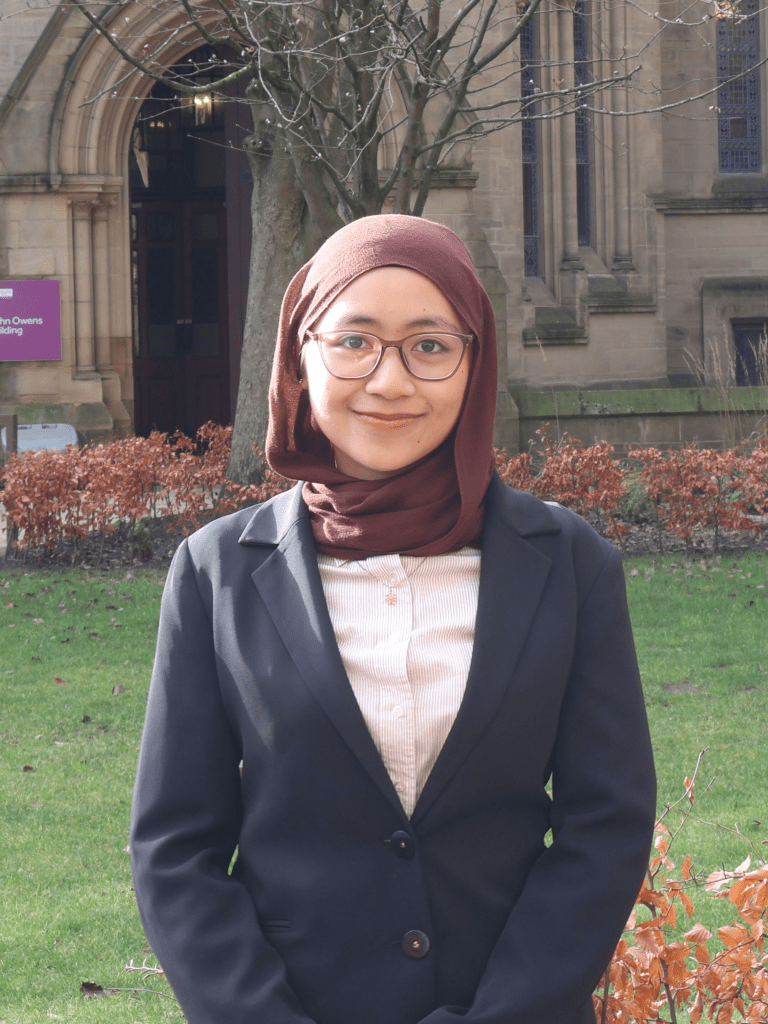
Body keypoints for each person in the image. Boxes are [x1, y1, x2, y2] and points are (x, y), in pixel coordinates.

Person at [130, 214, 656, 1024]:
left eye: (430, 346)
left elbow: (606, 826)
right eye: (354, 341)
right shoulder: (216, 570)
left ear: (474, 363)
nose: (389, 380)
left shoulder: (570, 563)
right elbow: (175, 849)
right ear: (300, 355)